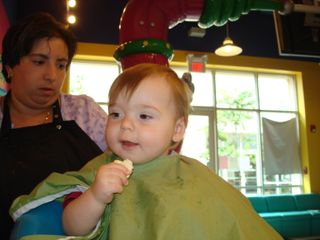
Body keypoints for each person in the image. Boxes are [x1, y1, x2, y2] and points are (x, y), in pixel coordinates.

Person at [10, 63, 283, 240]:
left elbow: (230, 219)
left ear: (177, 130)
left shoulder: (194, 175)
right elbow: (72, 226)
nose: (126, 124)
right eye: (116, 113)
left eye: (144, 116)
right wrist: (96, 195)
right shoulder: (100, 170)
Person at [0, 12, 107, 238]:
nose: (52, 76)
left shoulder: (83, 112)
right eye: (39, 62)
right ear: (10, 66)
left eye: (61, 65)